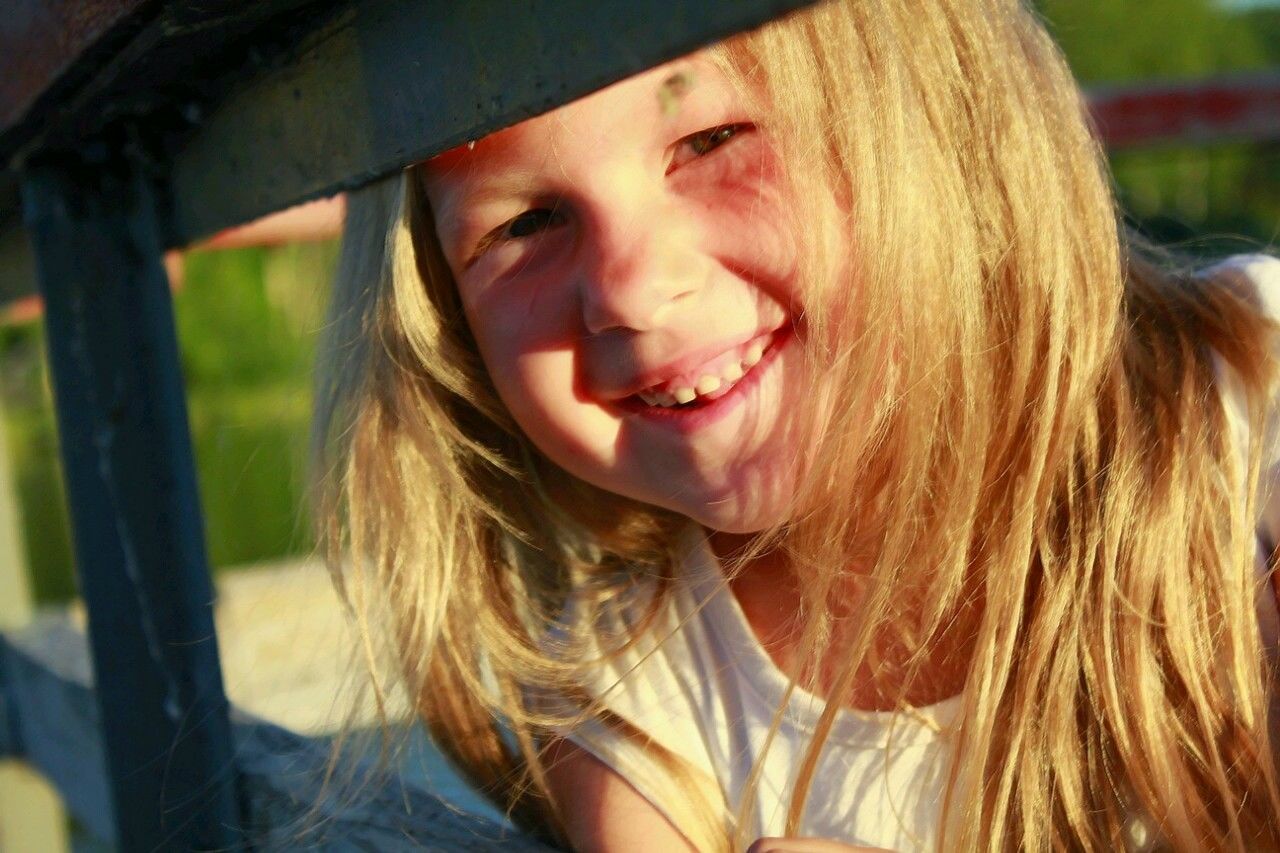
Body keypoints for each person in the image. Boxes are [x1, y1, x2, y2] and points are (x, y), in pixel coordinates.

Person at [309, 0, 1280, 849]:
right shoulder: (624, 694)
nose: (632, 288)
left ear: (936, 109)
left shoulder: (1248, 404)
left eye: (708, 141)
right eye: (522, 225)